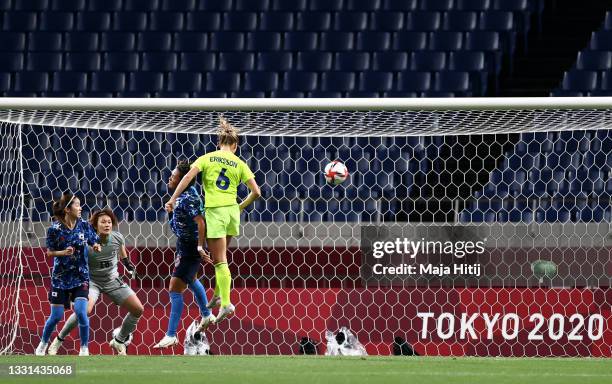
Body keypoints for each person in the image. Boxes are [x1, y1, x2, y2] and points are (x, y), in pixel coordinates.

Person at [165, 117, 261, 325]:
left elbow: (187, 178)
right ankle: (218, 295)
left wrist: (172, 199)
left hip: (216, 212)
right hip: (232, 213)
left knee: (220, 261)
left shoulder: (207, 158)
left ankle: (225, 303)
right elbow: (256, 192)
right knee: (222, 257)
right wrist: (239, 206)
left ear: (219, 143)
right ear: (235, 145)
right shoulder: (240, 163)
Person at [47, 208, 144, 356]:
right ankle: (58, 340)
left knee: (138, 309)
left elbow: (124, 257)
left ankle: (119, 340)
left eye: (109, 222)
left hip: (112, 280)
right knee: (84, 311)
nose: (107, 224)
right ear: (95, 225)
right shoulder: (87, 242)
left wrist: (130, 267)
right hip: (92, 282)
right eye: (103, 222)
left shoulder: (117, 238)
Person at [154, 160, 216, 348]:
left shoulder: (189, 197)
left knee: (175, 288)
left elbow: (200, 222)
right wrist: (172, 212)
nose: (170, 178)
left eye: (174, 176)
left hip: (190, 247)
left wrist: (199, 247)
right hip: (183, 244)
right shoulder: (181, 196)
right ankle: (207, 314)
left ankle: (171, 334)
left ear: (184, 179)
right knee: (191, 279)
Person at [35, 192, 101, 356]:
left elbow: (94, 240)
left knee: (81, 312)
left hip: (80, 277)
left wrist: (96, 246)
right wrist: (63, 252)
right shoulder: (54, 229)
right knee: (56, 316)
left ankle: (84, 349)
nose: (81, 208)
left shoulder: (84, 225)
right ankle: (43, 344)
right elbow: (50, 253)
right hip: (60, 278)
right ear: (67, 209)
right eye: (77, 204)